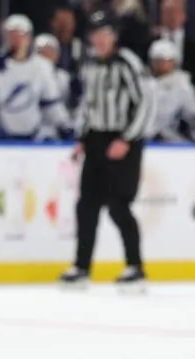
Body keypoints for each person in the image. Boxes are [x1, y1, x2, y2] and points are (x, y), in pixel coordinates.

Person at [59, 12, 154, 291]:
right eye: (95, 35)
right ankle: (82, 266)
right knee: (86, 205)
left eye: (105, 34)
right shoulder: (89, 65)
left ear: (114, 37)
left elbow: (146, 104)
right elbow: (89, 106)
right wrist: (83, 139)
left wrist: (127, 138)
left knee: (119, 206)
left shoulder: (127, 63)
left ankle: (135, 267)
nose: (99, 40)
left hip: (123, 141)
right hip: (97, 140)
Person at [0, 14, 72, 141]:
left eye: (19, 35)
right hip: (1, 138)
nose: (16, 40)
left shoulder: (41, 66)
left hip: (34, 137)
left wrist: (64, 125)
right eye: (11, 35)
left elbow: (51, 103)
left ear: (29, 38)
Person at [146, 38, 195, 142]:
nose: (162, 64)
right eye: (158, 60)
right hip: (140, 135)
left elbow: (191, 113)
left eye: (166, 61)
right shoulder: (142, 81)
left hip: (169, 138)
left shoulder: (181, 84)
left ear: (174, 62)